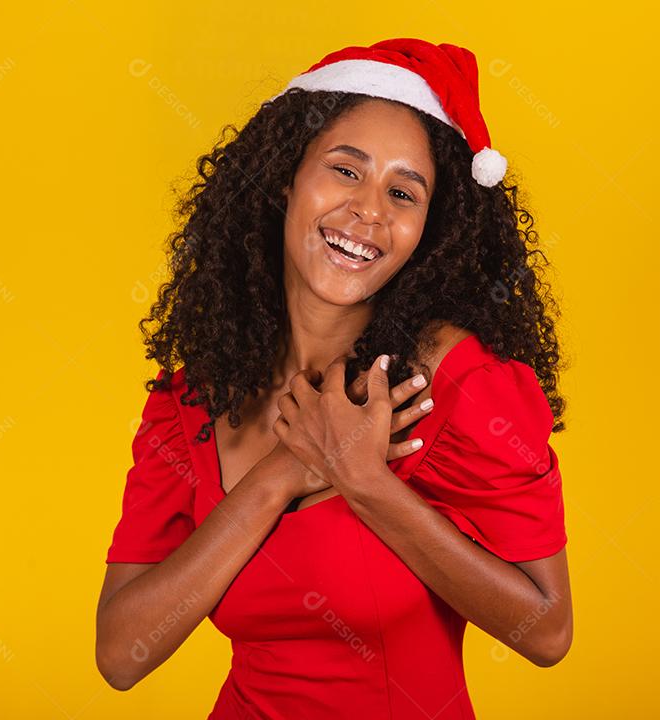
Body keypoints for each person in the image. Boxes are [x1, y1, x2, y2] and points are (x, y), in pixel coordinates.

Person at [95, 37, 572, 719]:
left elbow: (548, 631)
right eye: (347, 171)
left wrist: (365, 481)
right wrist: (280, 475)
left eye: (403, 192)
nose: (370, 211)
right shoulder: (194, 398)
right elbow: (119, 653)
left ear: (427, 229)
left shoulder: (462, 383)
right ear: (288, 175)